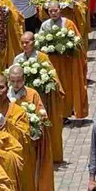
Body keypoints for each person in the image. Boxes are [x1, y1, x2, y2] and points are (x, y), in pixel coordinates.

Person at [9, 65, 56, 191]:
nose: (16, 84)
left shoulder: (32, 94)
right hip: (10, 142)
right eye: (13, 81)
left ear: (23, 79)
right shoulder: (5, 95)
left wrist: (36, 125)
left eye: (19, 81)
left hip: (29, 143)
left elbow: (42, 114)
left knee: (30, 174)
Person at [15, 32, 66, 163]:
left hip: (41, 97)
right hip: (23, 97)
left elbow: (52, 76)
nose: (25, 45)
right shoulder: (18, 59)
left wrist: (43, 81)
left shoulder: (42, 58)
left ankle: (46, 153)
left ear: (34, 42)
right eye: (22, 43)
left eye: (27, 42)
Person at [40, 1, 88, 119]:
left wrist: (68, 47)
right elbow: (40, 42)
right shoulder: (45, 25)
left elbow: (77, 41)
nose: (53, 13)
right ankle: (58, 113)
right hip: (53, 62)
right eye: (50, 11)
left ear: (60, 10)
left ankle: (67, 111)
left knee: (67, 87)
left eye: (55, 10)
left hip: (67, 62)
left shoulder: (68, 23)